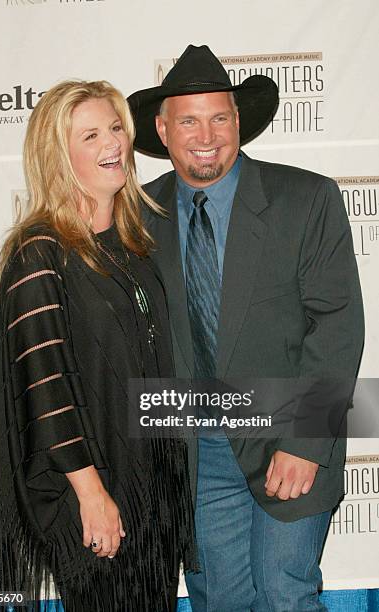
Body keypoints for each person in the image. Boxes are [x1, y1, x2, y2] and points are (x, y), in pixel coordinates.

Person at [128, 45, 364, 611]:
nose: (205, 135)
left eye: (219, 117)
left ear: (239, 122)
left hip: (289, 433)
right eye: (188, 119)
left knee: (286, 593)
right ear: (163, 130)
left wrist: (305, 442)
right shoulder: (135, 216)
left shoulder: (306, 198)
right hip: (195, 451)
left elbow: (337, 325)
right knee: (222, 602)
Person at [0, 79, 196, 612]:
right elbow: (46, 389)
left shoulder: (132, 244)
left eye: (116, 127)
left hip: (152, 492)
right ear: (58, 156)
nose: (113, 143)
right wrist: (92, 496)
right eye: (91, 134)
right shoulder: (40, 253)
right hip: (96, 498)